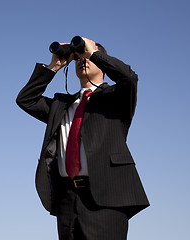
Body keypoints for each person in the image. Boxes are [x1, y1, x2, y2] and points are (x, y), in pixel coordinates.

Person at [16, 37, 149, 240]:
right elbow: (26, 99)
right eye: (78, 58)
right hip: (67, 199)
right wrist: (54, 66)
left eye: (87, 57)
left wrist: (93, 52)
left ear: (102, 62)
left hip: (106, 198)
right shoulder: (61, 105)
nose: (82, 61)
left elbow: (129, 78)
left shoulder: (116, 99)